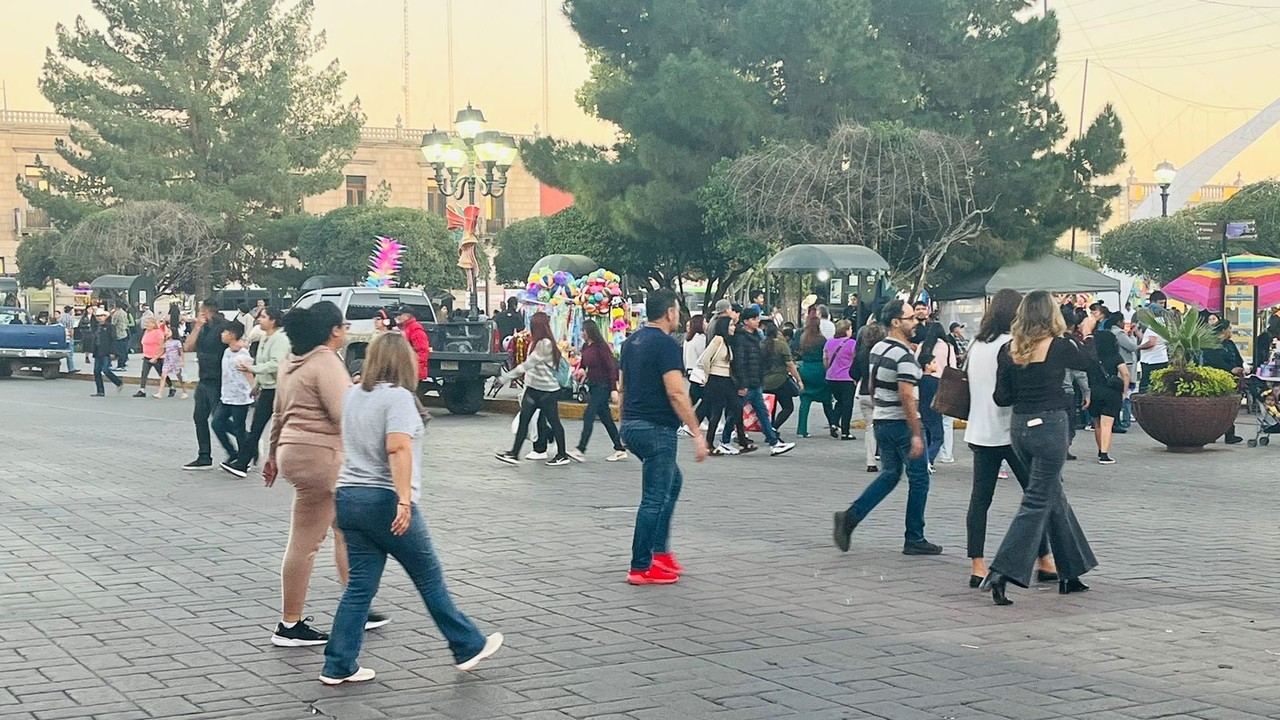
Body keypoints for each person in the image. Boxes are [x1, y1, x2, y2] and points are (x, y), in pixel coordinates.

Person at [320, 332, 501, 683]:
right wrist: (404, 500)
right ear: (405, 362)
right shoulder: (399, 398)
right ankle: (467, 645)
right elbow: (398, 448)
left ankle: (338, 663)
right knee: (428, 577)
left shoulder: (353, 395)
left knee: (359, 586)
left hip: (349, 496)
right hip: (385, 499)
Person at [264, 301, 372, 648]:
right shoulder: (325, 361)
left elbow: (278, 412)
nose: (347, 331)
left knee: (342, 528)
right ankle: (290, 624)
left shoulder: (291, 363)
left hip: (294, 453)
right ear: (332, 331)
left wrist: (271, 455)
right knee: (307, 541)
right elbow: (344, 414)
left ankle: (356, 604)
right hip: (322, 456)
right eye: (343, 326)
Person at [982, 290, 1097, 605]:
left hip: (1020, 428)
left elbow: (1001, 397)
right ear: (1051, 315)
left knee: (1052, 496)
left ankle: (1071, 571)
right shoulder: (1059, 346)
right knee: (1036, 502)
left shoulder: (1008, 349)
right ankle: (1001, 571)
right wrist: (1085, 333)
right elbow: (1089, 361)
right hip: (1050, 427)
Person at [962, 289, 1056, 588]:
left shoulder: (976, 344)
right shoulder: (1013, 346)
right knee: (1035, 497)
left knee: (980, 499)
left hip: (979, 429)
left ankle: (977, 564)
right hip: (1011, 430)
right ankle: (1043, 559)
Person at [832, 300, 942, 556]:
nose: (916, 322)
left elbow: (872, 381)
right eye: (910, 318)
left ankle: (851, 516)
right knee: (919, 479)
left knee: (890, 474)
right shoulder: (902, 354)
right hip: (902, 423)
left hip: (882, 419)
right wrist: (916, 433)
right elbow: (906, 395)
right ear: (896, 322)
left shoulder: (879, 347)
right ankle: (914, 537)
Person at [618, 288, 710, 584]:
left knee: (672, 482)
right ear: (670, 312)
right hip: (657, 429)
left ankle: (659, 552)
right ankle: (641, 565)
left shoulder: (631, 341)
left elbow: (622, 388)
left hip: (633, 425)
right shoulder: (668, 345)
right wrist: (697, 433)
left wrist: (623, 423)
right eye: (677, 311)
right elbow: (676, 392)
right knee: (654, 498)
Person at [495, 312, 570, 466]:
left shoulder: (545, 344)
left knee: (554, 422)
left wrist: (505, 377)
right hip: (533, 389)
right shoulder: (535, 343)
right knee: (524, 421)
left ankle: (562, 454)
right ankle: (514, 453)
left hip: (547, 391)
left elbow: (528, 365)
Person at [224, 307, 289, 476]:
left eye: (263, 317)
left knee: (284, 427)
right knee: (256, 427)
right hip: (267, 388)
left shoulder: (279, 339)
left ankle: (245, 461)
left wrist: (251, 368)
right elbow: (263, 362)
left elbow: (276, 363)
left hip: (279, 389)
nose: (259, 319)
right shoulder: (265, 338)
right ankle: (242, 462)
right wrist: (257, 385)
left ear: (273, 320)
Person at [722, 308, 795, 456]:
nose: (757, 321)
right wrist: (742, 384)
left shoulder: (756, 336)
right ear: (746, 321)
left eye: (757, 319)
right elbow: (739, 363)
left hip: (756, 382)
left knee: (763, 414)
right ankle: (724, 441)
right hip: (747, 383)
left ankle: (774, 442)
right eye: (754, 319)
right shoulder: (741, 338)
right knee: (735, 412)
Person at [570, 320, 627, 462]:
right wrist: (581, 371)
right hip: (594, 385)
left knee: (589, 414)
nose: (582, 333)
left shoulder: (601, 347)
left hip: (603, 386)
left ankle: (581, 449)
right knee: (606, 418)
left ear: (590, 331)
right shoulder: (586, 347)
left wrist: (614, 389)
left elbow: (610, 369)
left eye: (584, 330)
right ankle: (619, 448)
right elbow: (583, 364)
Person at [183, 299, 230, 470]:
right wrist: (196, 327)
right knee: (199, 417)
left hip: (219, 378)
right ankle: (204, 455)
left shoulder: (225, 326)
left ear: (206, 311)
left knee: (219, 419)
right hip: (204, 377)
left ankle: (246, 443)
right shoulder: (203, 328)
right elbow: (188, 347)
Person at [1086, 314, 1129, 465]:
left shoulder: (1091, 357)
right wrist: (1124, 392)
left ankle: (1100, 450)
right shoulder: (1115, 356)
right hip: (1111, 393)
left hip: (1094, 392)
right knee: (1107, 424)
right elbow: (1125, 373)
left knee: (1097, 423)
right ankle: (1105, 453)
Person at [213, 321, 254, 473]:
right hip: (226, 396)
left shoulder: (243, 353)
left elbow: (248, 372)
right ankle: (234, 452)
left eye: (224, 332)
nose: (221, 335)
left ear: (232, 335)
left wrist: (255, 389)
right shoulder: (227, 351)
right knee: (217, 423)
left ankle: (244, 459)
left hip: (240, 397)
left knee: (238, 428)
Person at [698, 316, 741, 456]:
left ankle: (740, 439)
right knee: (717, 411)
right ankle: (709, 443)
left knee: (735, 407)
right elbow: (705, 358)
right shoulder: (718, 339)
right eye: (730, 325)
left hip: (726, 379)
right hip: (716, 379)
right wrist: (707, 375)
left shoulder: (728, 342)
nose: (733, 328)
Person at [1201, 319, 1245, 445]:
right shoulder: (1211, 345)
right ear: (1223, 331)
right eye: (1229, 329)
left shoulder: (1230, 344)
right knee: (1214, 407)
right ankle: (1211, 434)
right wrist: (1230, 369)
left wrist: (1240, 368)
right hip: (1217, 378)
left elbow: (1238, 359)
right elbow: (1213, 361)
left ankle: (1230, 434)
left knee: (1230, 407)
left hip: (1232, 379)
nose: (1231, 331)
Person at [851, 320, 887, 472]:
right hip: (882, 393)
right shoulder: (886, 353)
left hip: (864, 392)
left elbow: (852, 372)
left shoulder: (862, 353)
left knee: (870, 427)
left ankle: (870, 461)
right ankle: (887, 458)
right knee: (886, 427)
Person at [796, 316, 836, 438]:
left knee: (805, 400)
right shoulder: (822, 339)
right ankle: (833, 425)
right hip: (819, 370)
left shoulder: (803, 338)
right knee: (827, 400)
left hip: (806, 369)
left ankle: (801, 429)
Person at [761, 321, 803, 435]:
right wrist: (799, 380)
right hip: (780, 380)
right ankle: (773, 428)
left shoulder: (760, 345)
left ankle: (769, 429)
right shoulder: (781, 345)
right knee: (788, 407)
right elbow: (790, 365)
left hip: (764, 381)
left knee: (770, 408)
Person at [824, 320, 858, 440]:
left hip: (831, 377)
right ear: (846, 330)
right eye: (850, 328)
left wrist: (829, 370)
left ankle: (833, 422)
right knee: (848, 404)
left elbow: (826, 359)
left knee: (839, 401)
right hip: (847, 377)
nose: (851, 331)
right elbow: (855, 360)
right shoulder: (852, 343)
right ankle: (845, 431)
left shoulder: (829, 342)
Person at [1137, 291, 1171, 393]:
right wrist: (1138, 332)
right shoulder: (1158, 321)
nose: (1162, 306)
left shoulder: (1157, 322)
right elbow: (1150, 338)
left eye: (1163, 303)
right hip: (1158, 359)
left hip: (1152, 361)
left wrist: (1137, 347)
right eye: (1160, 303)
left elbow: (1152, 342)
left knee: (1146, 389)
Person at [86, 308, 124, 397]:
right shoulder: (96, 327)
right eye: (98, 316)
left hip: (107, 352)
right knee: (96, 371)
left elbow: (113, 340)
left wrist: (113, 352)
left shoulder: (110, 327)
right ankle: (100, 391)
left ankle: (118, 382)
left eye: (101, 316)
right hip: (98, 351)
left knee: (106, 369)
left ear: (105, 317)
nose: (99, 318)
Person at [394, 305, 431, 389]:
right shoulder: (405, 328)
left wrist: (415, 370)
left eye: (400, 315)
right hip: (406, 370)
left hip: (411, 372)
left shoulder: (415, 329)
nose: (398, 317)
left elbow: (422, 350)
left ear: (407, 316)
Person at [682, 314, 707, 415]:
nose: (706, 324)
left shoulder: (688, 339)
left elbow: (684, 357)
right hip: (699, 372)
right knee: (704, 399)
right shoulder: (701, 339)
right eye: (705, 322)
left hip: (690, 370)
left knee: (695, 399)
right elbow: (704, 356)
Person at [155, 324, 188, 399]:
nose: (166, 332)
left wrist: (182, 361)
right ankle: (160, 393)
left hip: (175, 361)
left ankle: (184, 391)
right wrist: (156, 357)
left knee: (179, 377)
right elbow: (163, 351)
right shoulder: (166, 342)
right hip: (167, 361)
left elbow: (181, 352)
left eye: (168, 331)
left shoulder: (177, 342)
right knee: (163, 375)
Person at [135, 317, 166, 397]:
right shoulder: (146, 332)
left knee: (161, 373)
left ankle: (171, 386)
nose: (147, 325)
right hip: (147, 356)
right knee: (144, 373)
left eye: (148, 323)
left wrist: (156, 357)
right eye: (146, 323)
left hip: (157, 357)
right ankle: (142, 390)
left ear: (153, 324)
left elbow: (161, 346)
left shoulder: (158, 332)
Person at [110, 302, 130, 370]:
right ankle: (123, 363)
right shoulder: (124, 313)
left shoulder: (116, 314)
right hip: (124, 332)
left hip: (118, 333)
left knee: (120, 350)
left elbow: (113, 324)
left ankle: (120, 365)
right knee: (124, 349)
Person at [57, 305, 77, 373]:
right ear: (70, 311)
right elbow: (70, 329)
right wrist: (71, 336)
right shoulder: (70, 318)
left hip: (62, 337)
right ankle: (71, 368)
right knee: (70, 353)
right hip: (68, 337)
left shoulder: (60, 318)